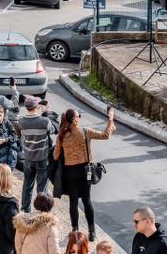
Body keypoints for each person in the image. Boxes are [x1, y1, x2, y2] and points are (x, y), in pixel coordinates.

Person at [53, 107, 115, 242]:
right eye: (78, 116)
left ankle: (75, 230)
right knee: (87, 200)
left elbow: (55, 155)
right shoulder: (85, 131)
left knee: (73, 202)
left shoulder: (62, 135)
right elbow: (105, 135)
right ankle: (92, 232)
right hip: (85, 171)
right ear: (74, 119)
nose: (79, 118)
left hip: (70, 173)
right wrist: (110, 119)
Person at [17, 96, 53, 212]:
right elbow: (51, 130)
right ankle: (42, 211)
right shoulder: (45, 121)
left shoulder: (21, 121)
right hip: (42, 158)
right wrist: (45, 112)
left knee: (27, 185)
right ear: (37, 106)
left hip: (28, 158)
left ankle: (25, 209)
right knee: (42, 187)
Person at [0, 104, 19, 168]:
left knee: (10, 169)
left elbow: (15, 136)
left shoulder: (7, 122)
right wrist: (10, 138)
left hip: (10, 154)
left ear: (3, 114)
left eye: (0, 115)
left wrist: (5, 140)